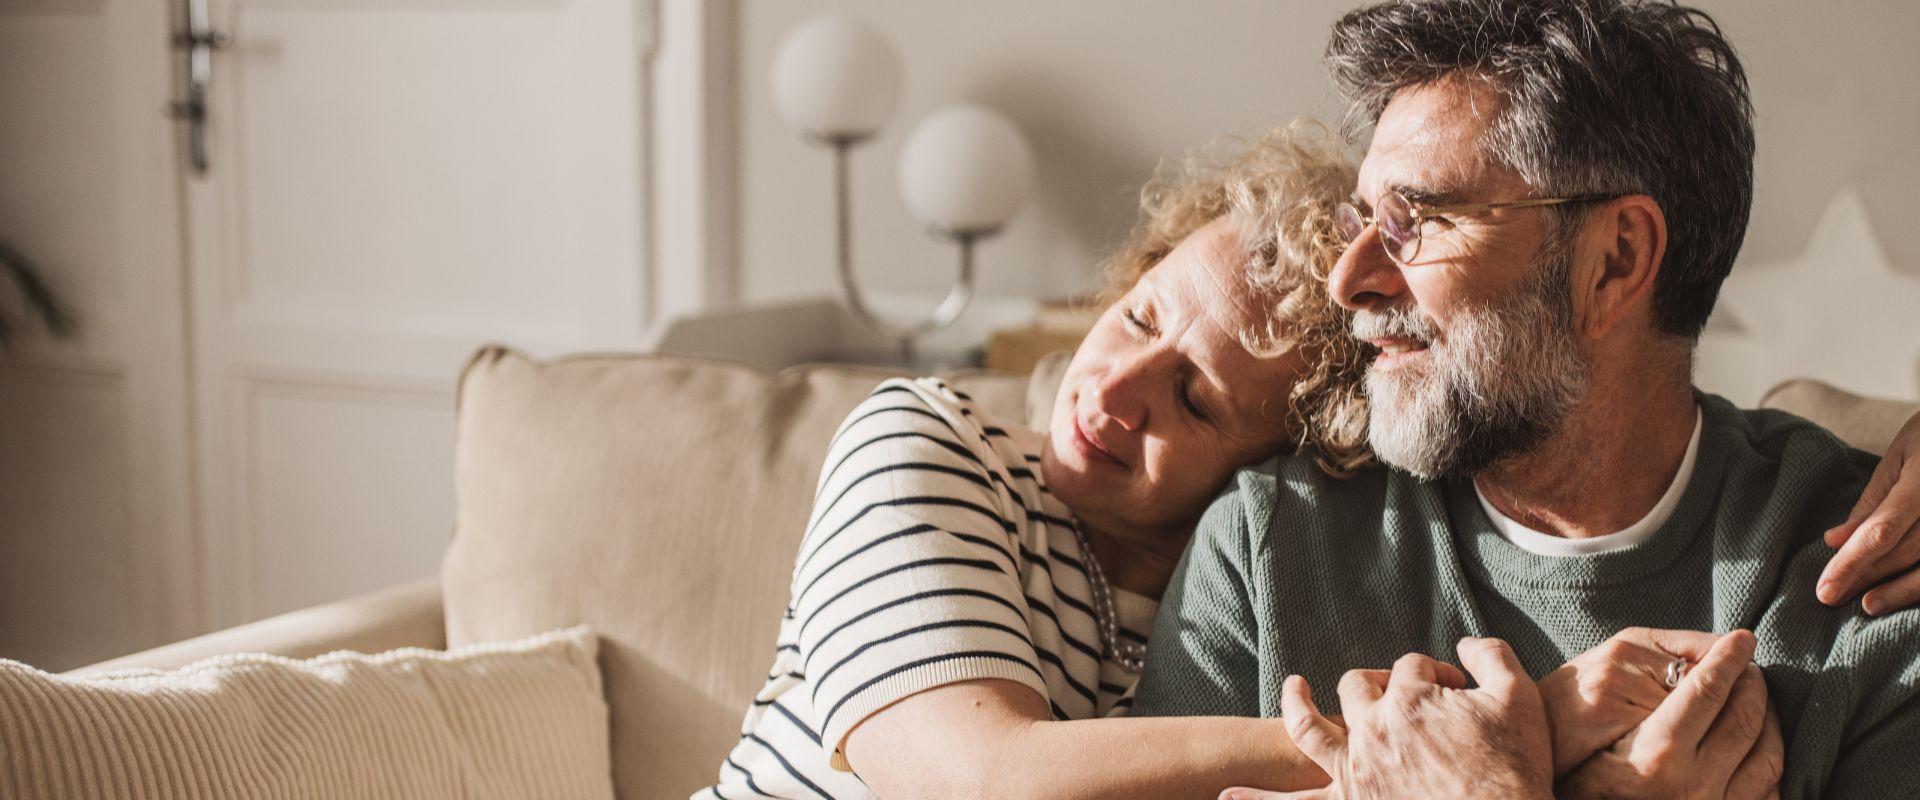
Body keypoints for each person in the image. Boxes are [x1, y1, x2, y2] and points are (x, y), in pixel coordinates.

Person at [698, 126, 1920, 800]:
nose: (1116, 393)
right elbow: (982, 781)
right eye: (1140, 316)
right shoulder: (929, 445)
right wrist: (1511, 730)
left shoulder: (1254, 559)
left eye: (1195, 395)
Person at [1130, 2, 1920, 798]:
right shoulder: (1271, 546)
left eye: (1419, 219)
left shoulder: (1873, 584)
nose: (1351, 280)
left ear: (1614, 261)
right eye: (1362, 220)